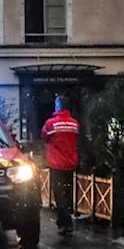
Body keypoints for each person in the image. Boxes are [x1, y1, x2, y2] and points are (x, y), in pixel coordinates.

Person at [41, 95, 80, 236]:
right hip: (70, 163)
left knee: (59, 195)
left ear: (57, 107)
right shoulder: (74, 124)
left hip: (56, 164)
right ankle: (63, 221)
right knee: (68, 193)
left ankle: (66, 223)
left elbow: (44, 137)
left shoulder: (50, 124)